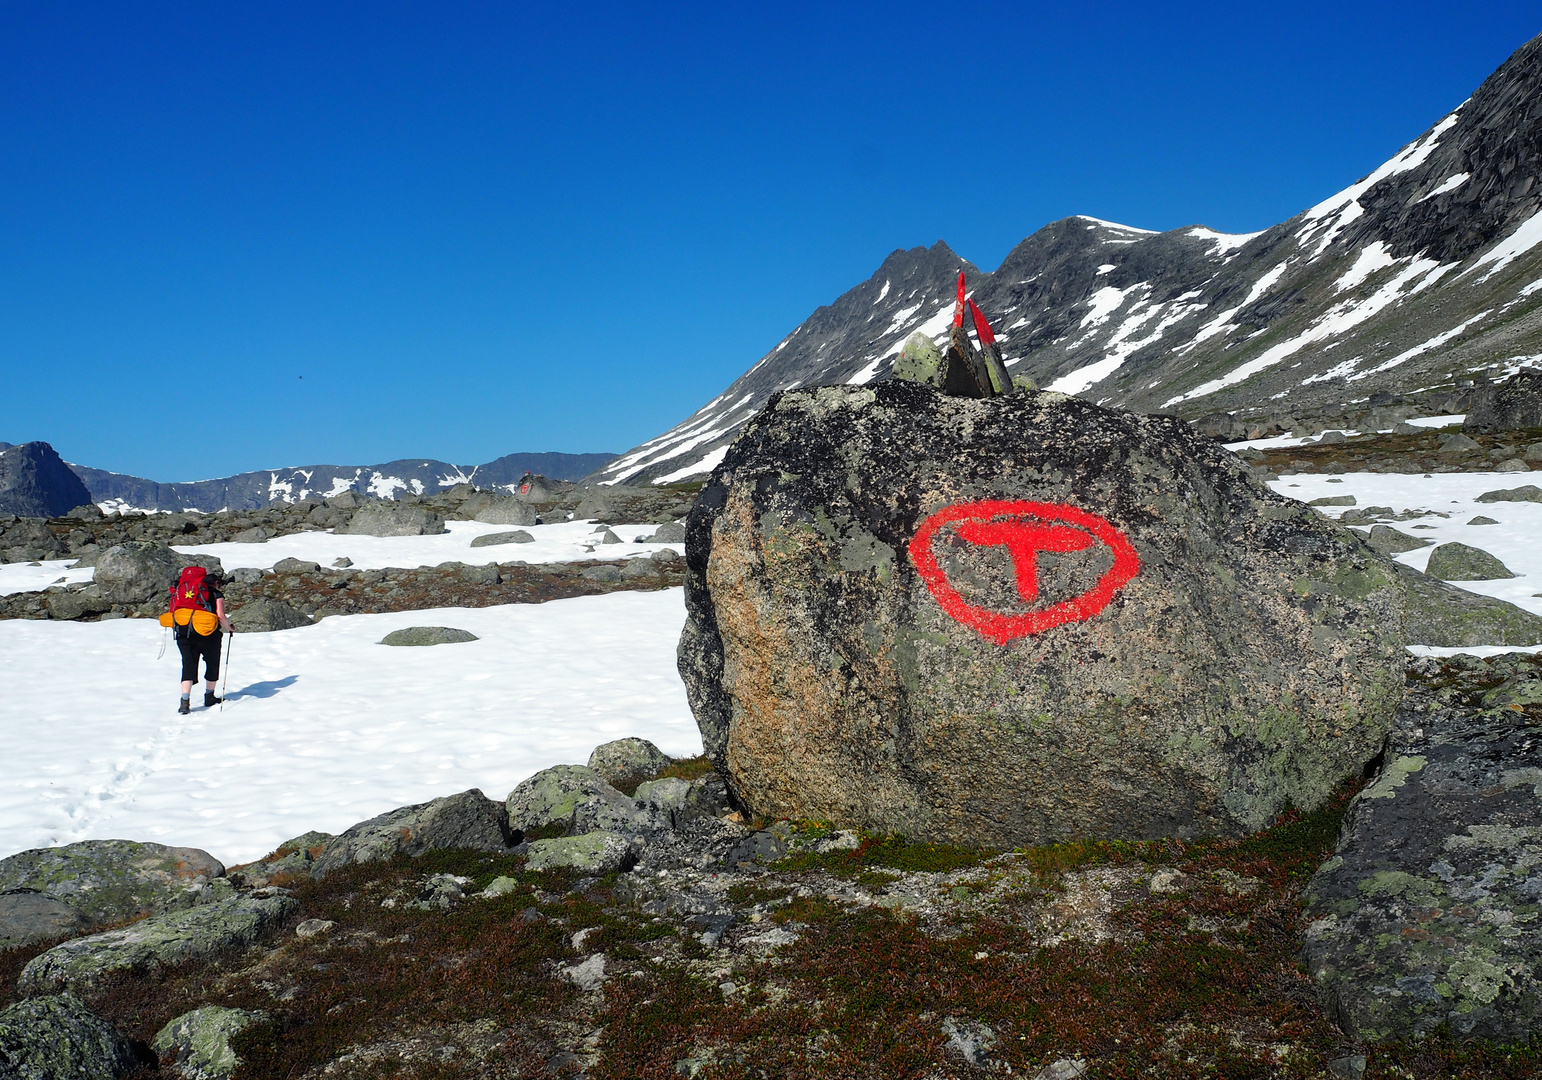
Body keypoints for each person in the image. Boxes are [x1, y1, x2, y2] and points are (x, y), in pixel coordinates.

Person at [174, 568, 235, 714]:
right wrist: (229, 628)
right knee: (212, 663)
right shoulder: (215, 594)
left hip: (184, 633)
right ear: (215, 583)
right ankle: (209, 696)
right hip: (209, 635)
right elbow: (220, 615)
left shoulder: (182, 591)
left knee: (188, 665)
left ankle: (184, 701)